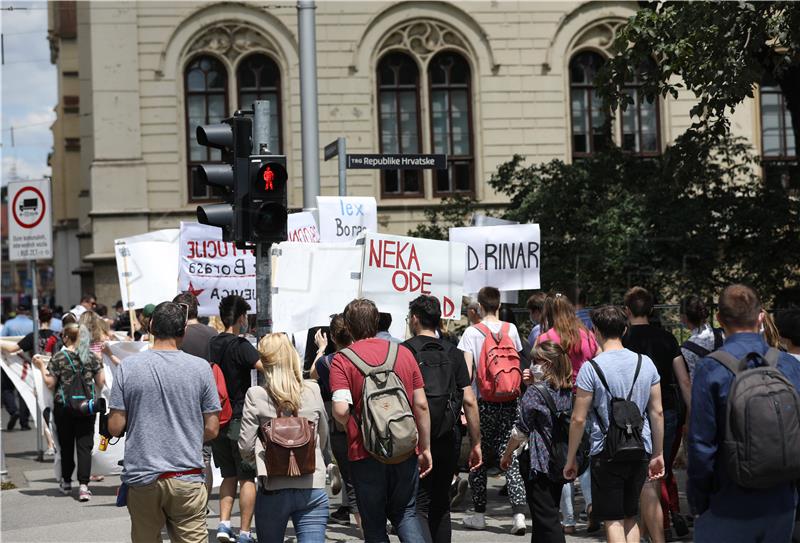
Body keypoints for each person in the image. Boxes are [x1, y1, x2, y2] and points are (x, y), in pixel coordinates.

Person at [688, 285, 800, 543]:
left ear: (719, 319)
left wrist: (699, 501)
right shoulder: (787, 364)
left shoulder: (711, 368)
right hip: (781, 501)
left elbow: (701, 446)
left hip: (728, 503)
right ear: (761, 316)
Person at [107, 301, 220, 542]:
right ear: (184, 331)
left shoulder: (128, 367)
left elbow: (115, 426)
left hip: (143, 476)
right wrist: (185, 434)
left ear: (151, 327)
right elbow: (212, 428)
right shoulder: (201, 369)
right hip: (187, 475)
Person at [330, 298, 431, 542]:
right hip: (405, 447)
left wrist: (355, 425)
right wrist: (425, 447)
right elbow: (421, 405)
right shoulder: (404, 353)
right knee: (406, 513)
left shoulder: (343, 360)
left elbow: (341, 410)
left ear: (349, 327)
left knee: (374, 523)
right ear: (376, 323)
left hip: (364, 452)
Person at [564, 305, 665, 543]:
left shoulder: (591, 368)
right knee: (631, 516)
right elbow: (657, 411)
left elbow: (579, 418)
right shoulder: (646, 363)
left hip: (606, 451)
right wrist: (658, 453)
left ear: (595, 330)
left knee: (613, 519)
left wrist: (571, 458)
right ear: (625, 329)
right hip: (640, 447)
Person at [404, 295, 482, 543]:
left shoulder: (404, 352)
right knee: (441, 505)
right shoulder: (455, 353)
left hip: (414, 440)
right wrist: (476, 442)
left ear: (415, 319)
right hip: (449, 438)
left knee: (417, 506)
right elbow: (469, 400)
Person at [239, 333, 329, 542]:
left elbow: (245, 445)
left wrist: (261, 462)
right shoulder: (313, 390)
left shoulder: (256, 394)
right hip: (311, 484)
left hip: (273, 485)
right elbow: (323, 436)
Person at [458, 286, 528, 535]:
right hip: (510, 401)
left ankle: (479, 514)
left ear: (478, 307)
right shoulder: (512, 329)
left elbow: (465, 375)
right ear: (498, 305)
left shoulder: (471, 333)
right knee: (510, 455)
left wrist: (463, 406)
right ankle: (518, 515)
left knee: (478, 457)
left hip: (483, 403)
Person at [536, 293, 600, 534]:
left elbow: (539, 370)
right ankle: (592, 503)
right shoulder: (587, 336)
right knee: (585, 453)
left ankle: (569, 519)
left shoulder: (546, 337)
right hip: (586, 397)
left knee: (562, 456)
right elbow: (597, 362)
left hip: (557, 400)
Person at [501, 340, 573, 543]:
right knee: (545, 517)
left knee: (547, 520)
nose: (532, 364)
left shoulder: (535, 392)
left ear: (548, 363)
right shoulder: (566, 390)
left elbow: (520, 431)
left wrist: (507, 455)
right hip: (560, 458)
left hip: (538, 462)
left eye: (536, 360)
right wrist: (532, 384)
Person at [621, 287, 679, 543]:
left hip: (629, 416)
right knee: (655, 476)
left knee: (634, 478)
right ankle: (657, 531)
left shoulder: (622, 340)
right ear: (652, 310)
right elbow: (684, 380)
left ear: (626, 311)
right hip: (666, 410)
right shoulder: (667, 338)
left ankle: (641, 533)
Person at [208, 295, 262, 543]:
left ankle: (223, 525)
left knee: (228, 475)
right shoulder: (241, 346)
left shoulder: (213, 344)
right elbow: (263, 365)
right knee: (247, 476)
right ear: (241, 318)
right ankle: (244, 532)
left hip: (218, 417)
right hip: (240, 417)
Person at [32, 320, 106, 501]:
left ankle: (66, 482)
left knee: (65, 446)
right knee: (84, 446)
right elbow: (100, 382)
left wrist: (42, 367)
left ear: (66, 338)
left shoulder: (58, 357)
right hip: (86, 408)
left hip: (64, 408)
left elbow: (50, 384)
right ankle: (83, 486)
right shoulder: (91, 356)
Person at [310, 314, 357, 527]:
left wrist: (321, 348)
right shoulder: (363, 356)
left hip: (340, 424)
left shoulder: (327, 362)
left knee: (350, 474)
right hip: (369, 421)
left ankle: (356, 515)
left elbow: (313, 373)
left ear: (333, 337)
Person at [174, 291, 219, 500]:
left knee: (177, 454)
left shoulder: (175, 334)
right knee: (204, 457)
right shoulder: (212, 333)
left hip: (177, 400)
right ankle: (203, 501)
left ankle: (181, 501)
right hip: (205, 400)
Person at [1, 306, 58, 433]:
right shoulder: (57, 336)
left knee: (42, 406)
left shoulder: (33, 336)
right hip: (56, 374)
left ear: (38, 320)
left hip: (37, 374)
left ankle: (50, 441)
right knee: (55, 407)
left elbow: (11, 349)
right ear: (51, 320)